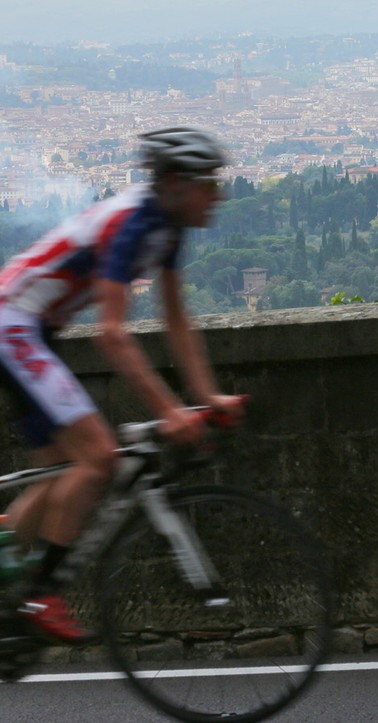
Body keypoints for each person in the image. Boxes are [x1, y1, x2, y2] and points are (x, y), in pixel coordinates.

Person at [0, 127, 242, 644]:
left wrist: (207, 397)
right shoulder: (131, 223)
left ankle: (10, 596)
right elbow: (112, 333)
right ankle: (42, 598)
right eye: (208, 183)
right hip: (14, 325)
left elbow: (176, 319)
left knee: (54, 480)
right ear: (176, 183)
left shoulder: (167, 227)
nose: (217, 194)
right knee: (100, 458)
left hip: (34, 328)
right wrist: (172, 410)